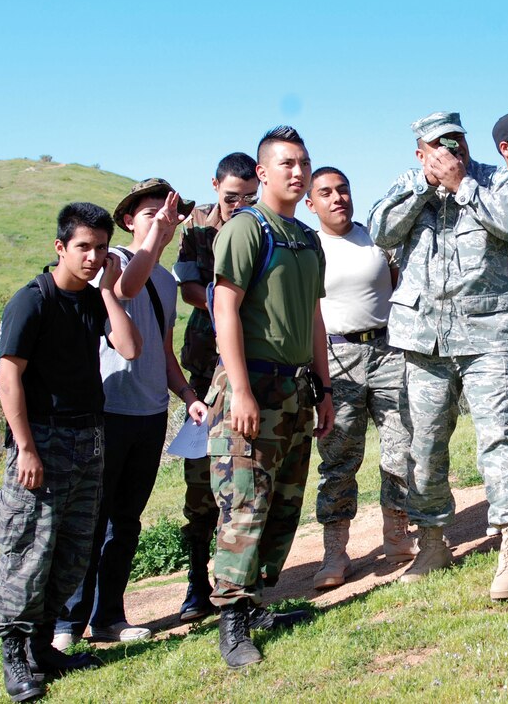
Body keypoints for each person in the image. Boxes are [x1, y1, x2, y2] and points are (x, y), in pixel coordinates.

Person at [368, 111, 508, 601]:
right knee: (423, 445)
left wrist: (464, 186)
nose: (451, 152)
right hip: (424, 338)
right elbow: (382, 230)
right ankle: (432, 542)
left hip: (487, 336)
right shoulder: (407, 183)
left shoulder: (494, 179)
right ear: (421, 152)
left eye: (457, 142)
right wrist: (424, 188)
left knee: (500, 438)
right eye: (439, 146)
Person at [0, 202, 141, 701]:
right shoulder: (31, 301)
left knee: (73, 551)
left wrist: (109, 291)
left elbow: (130, 348)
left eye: (101, 248)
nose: (94, 256)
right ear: (60, 247)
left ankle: (42, 647)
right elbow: (8, 377)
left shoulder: (96, 297)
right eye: (84, 247)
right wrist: (27, 449)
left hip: (87, 437)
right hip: (42, 440)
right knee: (29, 551)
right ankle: (16, 656)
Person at [56, 181, 206, 648]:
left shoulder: (165, 280)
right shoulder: (114, 259)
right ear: (128, 220)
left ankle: (109, 617)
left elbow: (162, 350)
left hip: (150, 414)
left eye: (170, 213)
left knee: (126, 521)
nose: (162, 219)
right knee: (90, 520)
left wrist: (186, 394)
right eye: (150, 213)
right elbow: (125, 286)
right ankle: (66, 624)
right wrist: (155, 238)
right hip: (109, 411)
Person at [207, 125, 332, 668]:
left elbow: (314, 318)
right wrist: (239, 389)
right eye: (285, 163)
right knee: (245, 504)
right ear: (262, 172)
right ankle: (231, 622)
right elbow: (225, 309)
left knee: (283, 502)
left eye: (303, 162)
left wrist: (324, 388)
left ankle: (257, 603)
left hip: (296, 390)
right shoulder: (246, 228)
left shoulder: (305, 238)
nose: (297, 171)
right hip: (250, 387)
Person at [305, 166, 417, 590]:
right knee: (339, 458)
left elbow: (394, 285)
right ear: (310, 203)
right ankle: (334, 553)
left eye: (344, 190)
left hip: (388, 349)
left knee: (401, 448)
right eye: (327, 193)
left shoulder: (376, 237)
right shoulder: (309, 246)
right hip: (338, 357)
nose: (338, 198)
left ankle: (397, 536)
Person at [172, 152, 260, 623]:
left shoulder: (264, 226)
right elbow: (188, 290)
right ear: (214, 187)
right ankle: (195, 583)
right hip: (207, 373)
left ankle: (250, 578)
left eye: (249, 197)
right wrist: (229, 307)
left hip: (255, 367)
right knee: (200, 486)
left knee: (250, 475)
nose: (239, 205)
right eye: (231, 197)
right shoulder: (198, 230)